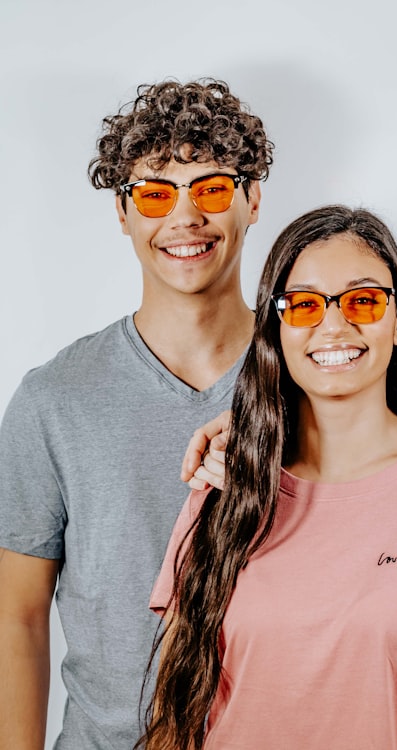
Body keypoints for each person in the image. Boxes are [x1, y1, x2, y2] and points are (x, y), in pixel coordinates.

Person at [142, 205, 397, 750]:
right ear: (277, 329)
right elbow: (173, 720)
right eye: (305, 305)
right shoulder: (226, 481)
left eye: (363, 300)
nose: (333, 325)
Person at [0, 79, 271, 749]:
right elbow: (18, 616)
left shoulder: (316, 378)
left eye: (209, 189)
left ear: (252, 200)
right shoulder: (54, 398)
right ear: (123, 215)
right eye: (155, 195)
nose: (185, 219)